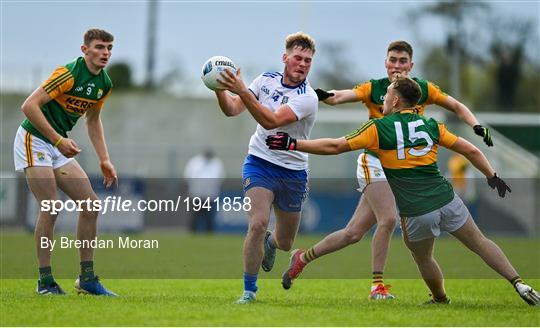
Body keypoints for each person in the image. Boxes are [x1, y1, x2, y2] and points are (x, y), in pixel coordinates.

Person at [266, 76, 539, 306]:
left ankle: (436, 297)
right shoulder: (431, 125)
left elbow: (335, 146)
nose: (383, 98)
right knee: (479, 242)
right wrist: (492, 176)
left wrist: (292, 144)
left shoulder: (378, 127)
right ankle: (519, 284)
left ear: (396, 100)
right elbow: (470, 149)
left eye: (387, 95)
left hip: (417, 212)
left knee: (417, 254)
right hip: (446, 199)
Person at [288, 40, 493, 299]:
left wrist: (475, 125)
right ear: (385, 62)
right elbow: (337, 97)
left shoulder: (421, 90)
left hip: (402, 169)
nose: (397, 65)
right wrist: (315, 93)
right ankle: (377, 287)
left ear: (411, 65)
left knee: (353, 233)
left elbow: (457, 106)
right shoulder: (373, 88)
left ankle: (303, 258)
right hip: (374, 162)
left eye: (402, 61)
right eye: (393, 60)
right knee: (388, 219)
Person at [213, 31, 318, 304]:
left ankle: (272, 244)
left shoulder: (308, 97)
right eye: (298, 57)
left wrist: (242, 90)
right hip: (259, 162)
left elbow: (271, 121)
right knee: (258, 224)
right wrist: (219, 90)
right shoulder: (265, 80)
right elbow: (233, 109)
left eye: (308, 60)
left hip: (293, 172)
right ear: (285, 58)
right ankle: (249, 290)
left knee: (284, 242)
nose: (303, 63)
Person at [14, 28, 117, 296]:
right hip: (33, 138)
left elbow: (93, 121)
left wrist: (104, 159)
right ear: (85, 50)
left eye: (109, 48)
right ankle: (45, 281)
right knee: (51, 206)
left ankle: (87, 280)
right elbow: (29, 106)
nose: (105, 53)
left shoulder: (104, 83)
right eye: (99, 47)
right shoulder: (68, 73)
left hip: (55, 144)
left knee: (91, 206)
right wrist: (58, 140)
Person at [183, 148, 225, 233]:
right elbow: (188, 176)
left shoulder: (216, 163)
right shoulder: (195, 162)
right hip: (196, 194)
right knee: (194, 216)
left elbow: (220, 177)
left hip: (210, 195)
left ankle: (209, 234)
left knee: (209, 217)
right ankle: (192, 233)